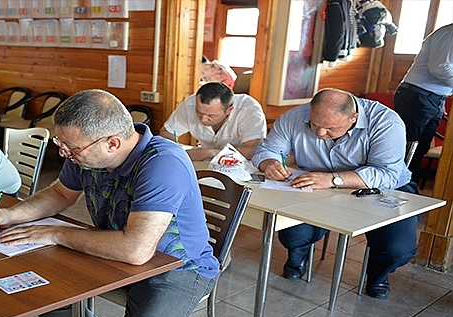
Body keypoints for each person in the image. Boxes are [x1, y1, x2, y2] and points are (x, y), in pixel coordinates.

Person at [0, 89, 218, 317]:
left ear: (112, 143)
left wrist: (55, 234)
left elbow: (136, 250)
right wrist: (10, 215)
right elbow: (60, 194)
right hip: (116, 249)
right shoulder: (88, 152)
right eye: (60, 143)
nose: (64, 154)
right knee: (40, 288)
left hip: (179, 268)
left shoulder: (162, 163)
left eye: (72, 148)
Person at [251, 88, 417, 300]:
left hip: (379, 190)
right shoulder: (295, 116)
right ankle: (297, 256)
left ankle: (378, 275)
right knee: (292, 234)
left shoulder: (386, 122)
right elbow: (267, 150)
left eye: (330, 128)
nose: (320, 134)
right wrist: (270, 164)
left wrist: (333, 179)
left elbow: (388, 174)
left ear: (353, 118)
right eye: (314, 125)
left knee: (398, 248)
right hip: (315, 186)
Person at [393, 23, 453, 184]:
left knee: (419, 150)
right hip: (418, 96)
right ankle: (400, 189)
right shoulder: (449, 33)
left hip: (434, 99)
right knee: (408, 150)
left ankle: (410, 190)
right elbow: (439, 67)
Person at [159, 81, 267, 160]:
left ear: (229, 110)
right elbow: (166, 132)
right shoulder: (190, 104)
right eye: (199, 112)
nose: (203, 119)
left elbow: (253, 150)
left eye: (211, 115)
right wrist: (175, 151)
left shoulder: (248, 109)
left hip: (241, 165)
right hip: (204, 164)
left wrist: (209, 153)